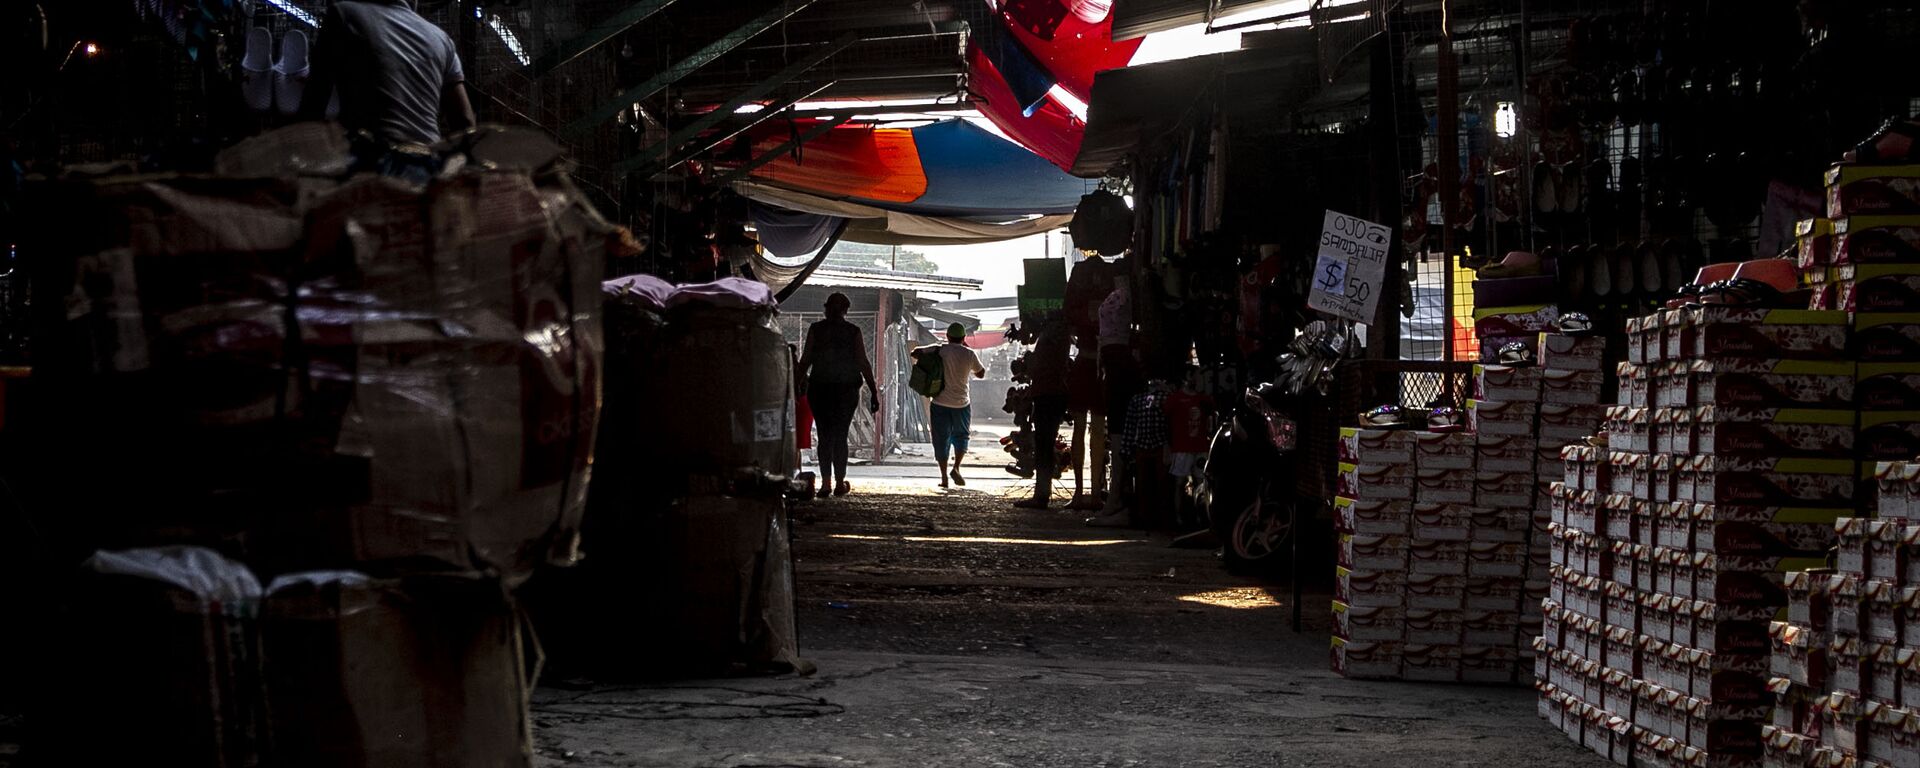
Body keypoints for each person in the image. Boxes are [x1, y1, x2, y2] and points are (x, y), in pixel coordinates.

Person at [300, 0, 477, 181]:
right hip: (427, 168)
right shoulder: (442, 39)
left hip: (368, 165)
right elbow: (464, 122)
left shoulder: (344, 14)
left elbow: (314, 101)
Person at [796, 293, 879, 499]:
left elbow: (805, 360)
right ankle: (839, 483)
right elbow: (863, 362)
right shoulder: (853, 332)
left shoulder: (817, 330)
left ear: (826, 309)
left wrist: (795, 385)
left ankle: (825, 484)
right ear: (846, 310)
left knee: (824, 436)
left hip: (820, 389)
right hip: (846, 391)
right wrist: (873, 391)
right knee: (840, 436)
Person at [1014, 318, 1071, 510]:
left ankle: (1041, 494)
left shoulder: (1049, 342)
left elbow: (1041, 368)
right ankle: (1042, 492)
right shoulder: (1059, 340)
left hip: (1047, 395)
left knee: (1043, 444)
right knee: (1044, 443)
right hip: (1052, 394)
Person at [921, 322, 985, 489]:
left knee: (941, 439)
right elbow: (981, 373)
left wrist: (935, 350)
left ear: (947, 337)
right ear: (964, 338)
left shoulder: (940, 350)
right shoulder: (969, 354)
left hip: (939, 403)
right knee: (961, 436)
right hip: (961, 404)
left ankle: (944, 478)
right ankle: (956, 467)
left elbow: (916, 352)